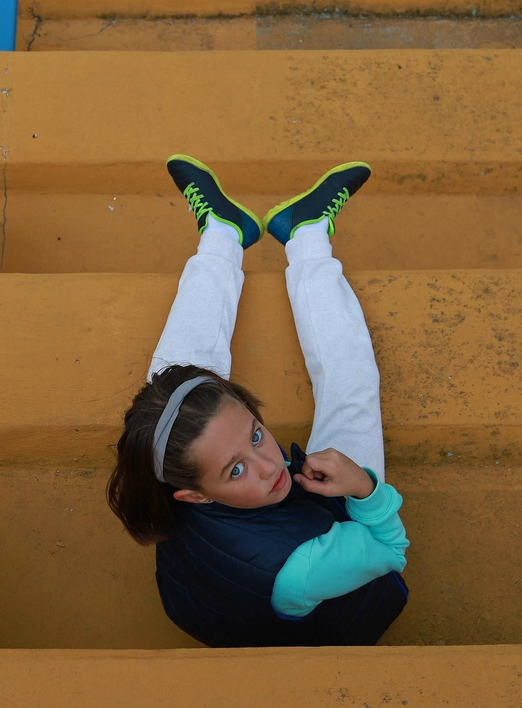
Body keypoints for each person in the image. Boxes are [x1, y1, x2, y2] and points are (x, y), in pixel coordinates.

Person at [106, 154, 409, 647]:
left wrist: (234, 464)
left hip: (218, 592)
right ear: (195, 496)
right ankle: (308, 235)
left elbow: (195, 418)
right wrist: (362, 488)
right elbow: (391, 550)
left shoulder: (163, 473)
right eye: (237, 470)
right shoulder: (305, 565)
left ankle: (222, 232)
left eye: (255, 434)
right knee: (351, 388)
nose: (271, 465)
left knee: (172, 402)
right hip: (320, 598)